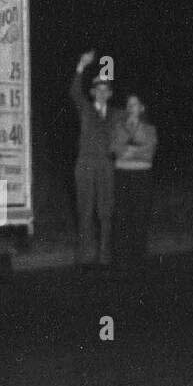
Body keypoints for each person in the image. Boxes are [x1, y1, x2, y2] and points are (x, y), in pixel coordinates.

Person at [69, 49, 121, 270]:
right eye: (97, 90)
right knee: (85, 210)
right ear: (92, 92)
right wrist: (81, 65)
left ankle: (104, 253)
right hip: (85, 166)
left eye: (105, 90)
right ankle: (84, 255)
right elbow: (74, 92)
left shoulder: (117, 114)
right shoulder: (85, 109)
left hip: (106, 166)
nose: (101, 93)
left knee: (105, 211)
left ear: (109, 94)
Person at [111, 93, 158, 266]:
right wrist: (134, 147)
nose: (131, 108)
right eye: (129, 105)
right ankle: (122, 257)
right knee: (122, 215)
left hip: (142, 175)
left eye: (135, 104)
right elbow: (115, 148)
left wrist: (131, 149)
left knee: (140, 215)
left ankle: (139, 256)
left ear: (141, 108)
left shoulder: (149, 128)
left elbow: (149, 151)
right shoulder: (119, 126)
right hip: (122, 174)